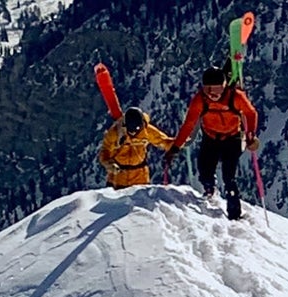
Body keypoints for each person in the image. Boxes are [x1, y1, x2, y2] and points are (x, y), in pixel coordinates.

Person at [168, 67, 260, 220]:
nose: (212, 93)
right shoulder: (200, 100)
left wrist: (250, 135)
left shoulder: (235, 96)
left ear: (224, 86)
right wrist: (176, 146)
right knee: (204, 170)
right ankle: (210, 188)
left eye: (216, 89)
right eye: (208, 89)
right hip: (210, 138)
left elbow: (251, 113)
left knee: (229, 176)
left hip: (232, 138)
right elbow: (189, 124)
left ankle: (234, 214)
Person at [98, 107, 172, 189]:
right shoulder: (115, 133)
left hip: (140, 179)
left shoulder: (147, 131)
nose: (133, 133)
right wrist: (109, 164)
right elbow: (105, 150)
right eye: (130, 130)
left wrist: (177, 144)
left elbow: (164, 141)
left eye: (137, 130)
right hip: (118, 178)